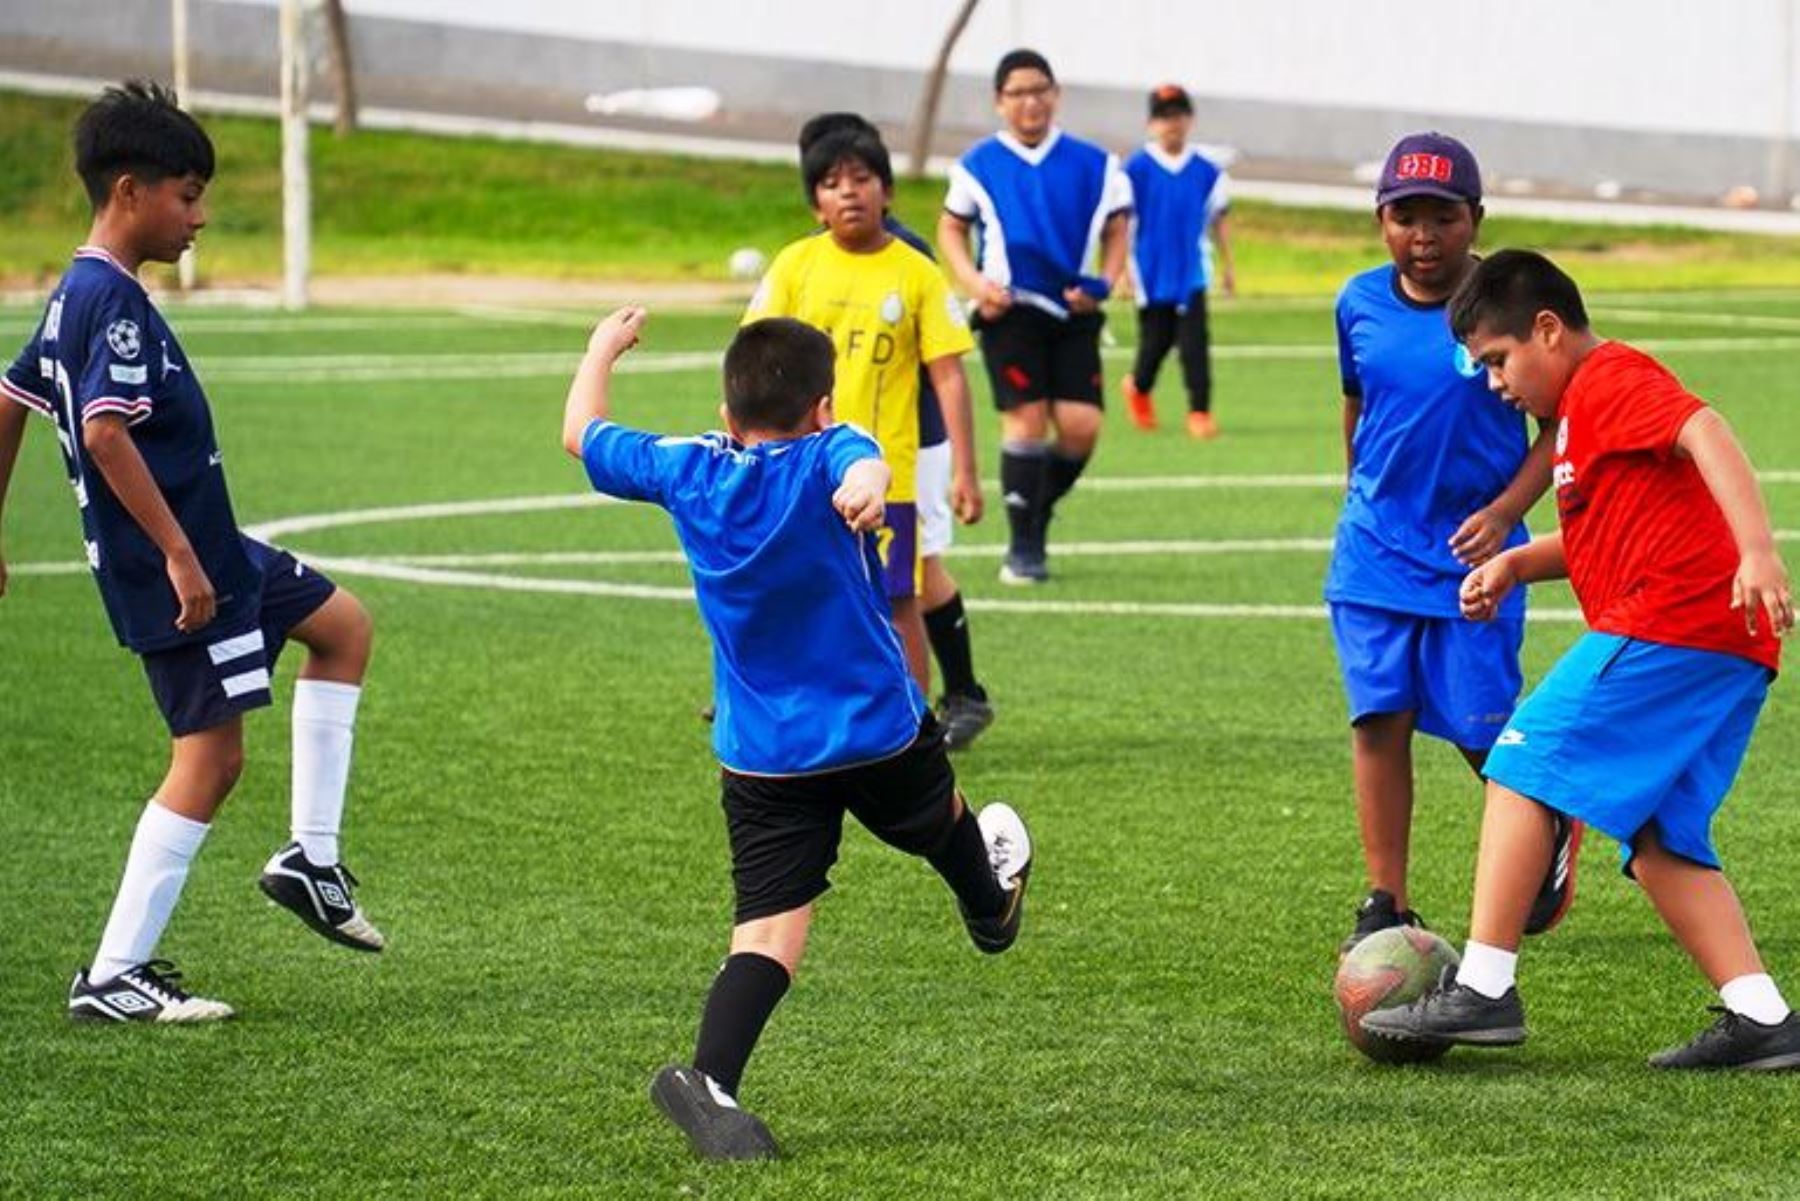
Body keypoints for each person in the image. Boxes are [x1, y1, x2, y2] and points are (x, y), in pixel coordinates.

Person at [561, 309, 1034, 1159]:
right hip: (875, 731)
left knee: (770, 930)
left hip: (762, 752)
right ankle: (992, 904)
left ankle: (710, 1080)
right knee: (943, 821)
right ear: (823, 404)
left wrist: (602, 349)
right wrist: (864, 481)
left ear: (725, 407)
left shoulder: (689, 469)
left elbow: (581, 434)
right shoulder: (831, 453)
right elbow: (865, 460)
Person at [0, 81, 384, 1024]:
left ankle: (312, 858)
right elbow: (103, 432)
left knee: (343, 628)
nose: (200, 216)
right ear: (129, 191)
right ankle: (113, 974)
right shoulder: (112, 306)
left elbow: (11, 400)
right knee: (209, 759)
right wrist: (177, 554)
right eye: (187, 194)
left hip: (218, 552)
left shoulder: (75, 291)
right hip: (182, 574)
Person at [1363, 249, 1800, 1070]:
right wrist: (1516, 563)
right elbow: (1602, 536)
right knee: (1663, 838)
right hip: (1722, 641)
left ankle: (1486, 985)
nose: (1496, 383)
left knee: (1522, 760)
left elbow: (1705, 428)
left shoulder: (1608, 380)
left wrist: (1759, 551)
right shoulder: (1576, 428)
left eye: (1498, 361)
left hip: (1678, 619)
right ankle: (1763, 1017)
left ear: (1548, 329)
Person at [1327, 132, 1577, 954]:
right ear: (1381, 220)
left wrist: (1507, 512)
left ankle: (1550, 824)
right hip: (1373, 552)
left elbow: (1559, 427)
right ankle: (1385, 899)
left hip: (1476, 554)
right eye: (1406, 216)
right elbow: (1357, 406)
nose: (1424, 235)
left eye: (1443, 216)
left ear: (1476, 218)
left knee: (1481, 729)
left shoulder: (1506, 311)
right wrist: (1357, 492)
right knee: (1379, 719)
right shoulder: (1357, 303)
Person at [752, 113, 994, 750]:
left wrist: (967, 470)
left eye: (861, 178)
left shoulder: (915, 272)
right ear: (815, 202)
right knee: (793, 586)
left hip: (890, 472)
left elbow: (948, 376)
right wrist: (747, 443)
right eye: (831, 183)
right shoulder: (795, 266)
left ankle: (912, 726)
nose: (849, 191)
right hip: (799, 466)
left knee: (897, 598)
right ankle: (790, 711)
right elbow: (757, 358)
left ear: (887, 190)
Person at [938, 48, 1133, 585]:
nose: (1031, 102)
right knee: (1025, 418)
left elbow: (1119, 225)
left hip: (1073, 308)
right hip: (1010, 310)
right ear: (1000, 103)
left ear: (1056, 95)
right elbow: (951, 228)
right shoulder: (978, 165)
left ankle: (1034, 509)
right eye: (1018, 93)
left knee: (1081, 426)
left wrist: (1106, 281)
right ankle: (1025, 547)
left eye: (1040, 90)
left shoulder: (1095, 164)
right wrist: (975, 285)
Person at [1120, 84, 1236, 439]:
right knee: (1154, 345)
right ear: (1151, 124)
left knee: (1194, 344)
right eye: (1163, 117)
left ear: (1189, 120)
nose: (1171, 124)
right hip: (1150, 272)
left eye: (1178, 116)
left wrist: (1230, 267)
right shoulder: (1135, 169)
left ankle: (1199, 412)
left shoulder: (1207, 172)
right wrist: (1122, 271)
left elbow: (1218, 221)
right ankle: (1138, 387)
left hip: (1191, 273)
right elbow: (1121, 224)